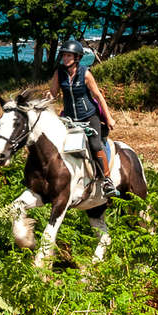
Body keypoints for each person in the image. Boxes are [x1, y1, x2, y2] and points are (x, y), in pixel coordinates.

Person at [49, 37, 118, 197]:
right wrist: (48, 98)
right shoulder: (59, 73)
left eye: (69, 56)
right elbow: (53, 94)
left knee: (94, 145)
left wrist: (108, 118)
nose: (65, 58)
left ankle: (107, 180)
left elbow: (99, 97)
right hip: (69, 118)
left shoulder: (85, 74)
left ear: (77, 58)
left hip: (89, 116)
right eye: (64, 55)